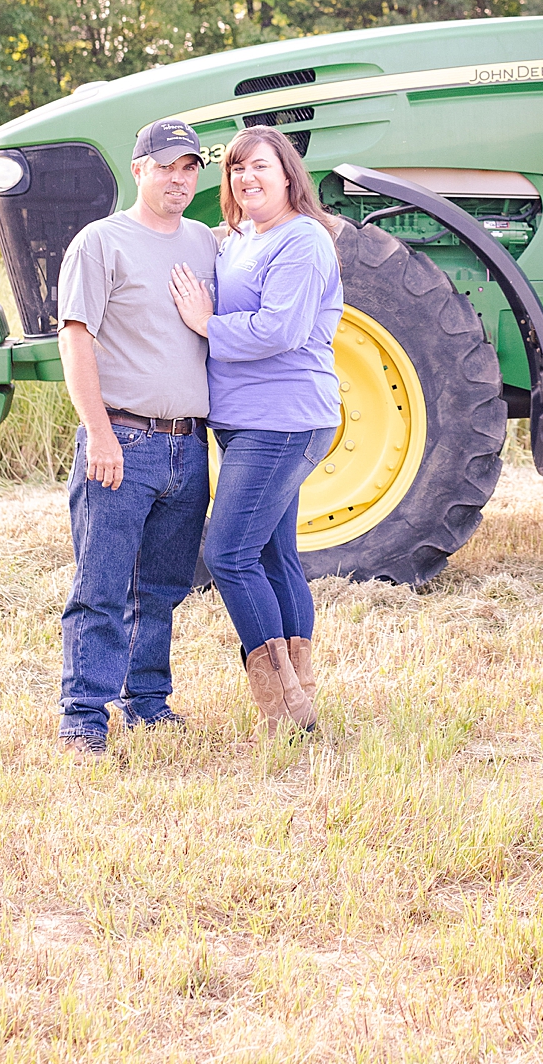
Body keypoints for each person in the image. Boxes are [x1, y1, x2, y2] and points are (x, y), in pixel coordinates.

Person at [169, 126, 342, 738]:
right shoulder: (243, 238)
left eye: (260, 167)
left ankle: (281, 709)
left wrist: (206, 322)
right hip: (248, 420)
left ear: (288, 174)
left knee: (228, 553)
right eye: (237, 169)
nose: (246, 178)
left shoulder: (302, 242)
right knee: (272, 552)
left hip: (284, 418)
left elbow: (279, 331)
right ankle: (301, 702)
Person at [55, 117, 217, 759]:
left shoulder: (204, 241)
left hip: (188, 443)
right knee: (102, 584)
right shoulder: (100, 243)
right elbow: (75, 338)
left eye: (190, 169)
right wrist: (99, 432)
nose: (179, 180)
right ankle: (84, 713)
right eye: (167, 167)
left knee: (164, 586)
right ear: (139, 167)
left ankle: (147, 701)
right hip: (124, 439)